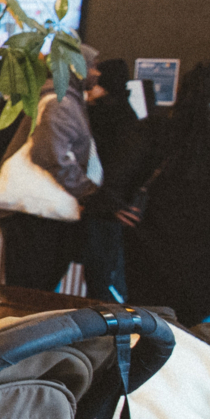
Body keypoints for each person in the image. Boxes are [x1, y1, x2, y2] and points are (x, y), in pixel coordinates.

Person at [121, 62, 210, 323]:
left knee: (149, 319)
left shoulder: (157, 130)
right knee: (191, 324)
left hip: (153, 241)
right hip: (208, 249)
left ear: (180, 89)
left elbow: (124, 173)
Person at [0, 61, 99, 293]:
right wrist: (85, 190)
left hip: (33, 214)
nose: (96, 73)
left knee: (27, 289)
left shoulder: (52, 96)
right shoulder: (60, 101)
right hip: (38, 216)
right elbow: (48, 152)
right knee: (31, 292)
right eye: (93, 65)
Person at [81, 58, 145, 303]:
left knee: (97, 279)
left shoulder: (99, 114)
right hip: (112, 206)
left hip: (100, 204)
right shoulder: (129, 114)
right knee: (103, 281)